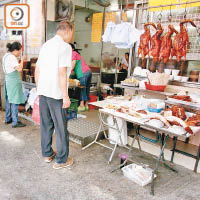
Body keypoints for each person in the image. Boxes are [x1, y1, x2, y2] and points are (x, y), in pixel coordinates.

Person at [35, 21, 73, 170]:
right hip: (56, 94)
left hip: (43, 91)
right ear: (68, 31)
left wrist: (39, 89)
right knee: (61, 127)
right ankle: (61, 159)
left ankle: (47, 153)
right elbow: (62, 72)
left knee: (46, 125)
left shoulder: (46, 45)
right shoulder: (65, 47)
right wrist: (65, 96)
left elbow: (37, 70)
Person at [2, 42, 26, 128]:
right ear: (15, 50)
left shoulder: (6, 56)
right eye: (20, 51)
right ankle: (15, 122)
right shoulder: (12, 58)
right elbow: (19, 69)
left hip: (8, 80)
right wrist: (22, 60)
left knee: (9, 99)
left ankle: (8, 118)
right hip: (13, 81)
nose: (20, 53)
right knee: (15, 101)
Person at [70, 43, 92, 112]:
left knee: (82, 88)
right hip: (88, 71)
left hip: (83, 73)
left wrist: (68, 74)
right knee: (86, 88)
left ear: (72, 49)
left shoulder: (73, 53)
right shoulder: (76, 54)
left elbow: (72, 65)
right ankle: (86, 105)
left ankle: (82, 105)